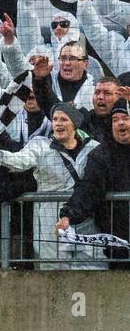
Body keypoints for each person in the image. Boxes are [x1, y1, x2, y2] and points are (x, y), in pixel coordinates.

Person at [0, 103, 104, 269]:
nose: (58, 123)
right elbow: (21, 160)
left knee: (94, 268)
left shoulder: (93, 148)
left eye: (63, 119)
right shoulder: (40, 145)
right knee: (54, 273)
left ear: (74, 124)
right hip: (50, 224)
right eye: (54, 119)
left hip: (85, 219)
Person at [57, 99, 130, 264]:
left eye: (125, 118)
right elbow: (89, 188)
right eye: (115, 119)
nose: (120, 123)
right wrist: (68, 214)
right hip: (118, 239)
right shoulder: (102, 155)